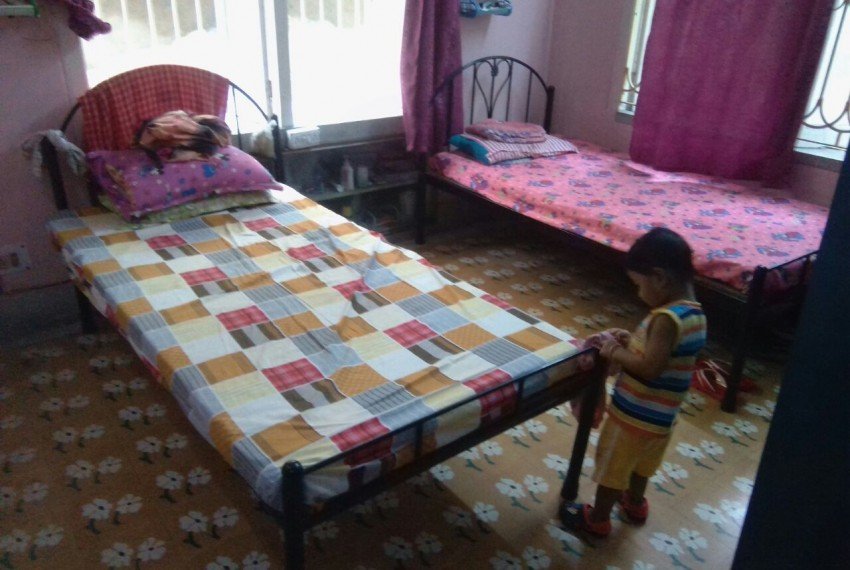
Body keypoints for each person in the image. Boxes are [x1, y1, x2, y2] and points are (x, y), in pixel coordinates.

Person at [560, 227, 708, 537]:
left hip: (634, 416)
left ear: (659, 278)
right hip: (662, 419)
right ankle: (635, 503)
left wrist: (615, 352)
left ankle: (597, 519)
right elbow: (667, 357)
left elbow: (650, 368)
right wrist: (632, 342)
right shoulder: (695, 315)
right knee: (642, 465)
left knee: (613, 469)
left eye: (639, 285)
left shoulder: (666, 319)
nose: (638, 293)